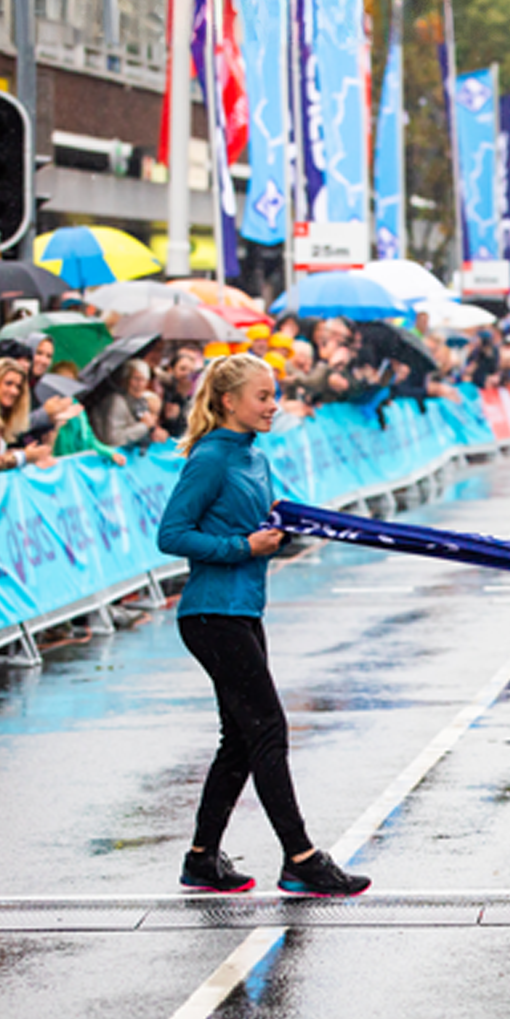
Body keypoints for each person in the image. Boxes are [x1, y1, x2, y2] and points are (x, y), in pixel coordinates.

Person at [156, 352, 371, 897]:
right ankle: (300, 857)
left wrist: (282, 534)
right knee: (268, 728)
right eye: (263, 396)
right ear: (229, 401)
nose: (274, 405)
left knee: (240, 738)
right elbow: (172, 535)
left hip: (243, 610)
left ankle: (202, 859)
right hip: (211, 614)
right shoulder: (210, 458)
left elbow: (261, 524)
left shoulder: (254, 456)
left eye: (275, 395)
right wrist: (242, 547)